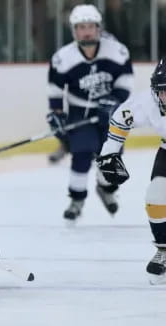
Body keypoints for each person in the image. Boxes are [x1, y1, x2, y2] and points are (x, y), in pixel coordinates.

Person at [46, 4, 134, 223]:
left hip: (111, 111)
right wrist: (57, 114)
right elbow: (56, 89)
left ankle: (105, 189)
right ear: (74, 30)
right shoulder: (63, 58)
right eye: (81, 27)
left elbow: (126, 81)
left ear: (98, 28)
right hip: (80, 112)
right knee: (83, 153)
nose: (86, 31)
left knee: (111, 158)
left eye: (90, 26)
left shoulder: (117, 51)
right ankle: (76, 199)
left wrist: (114, 100)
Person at [96, 59, 166, 285]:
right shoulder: (146, 102)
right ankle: (164, 250)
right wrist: (109, 153)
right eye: (164, 91)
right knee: (155, 198)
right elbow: (120, 119)